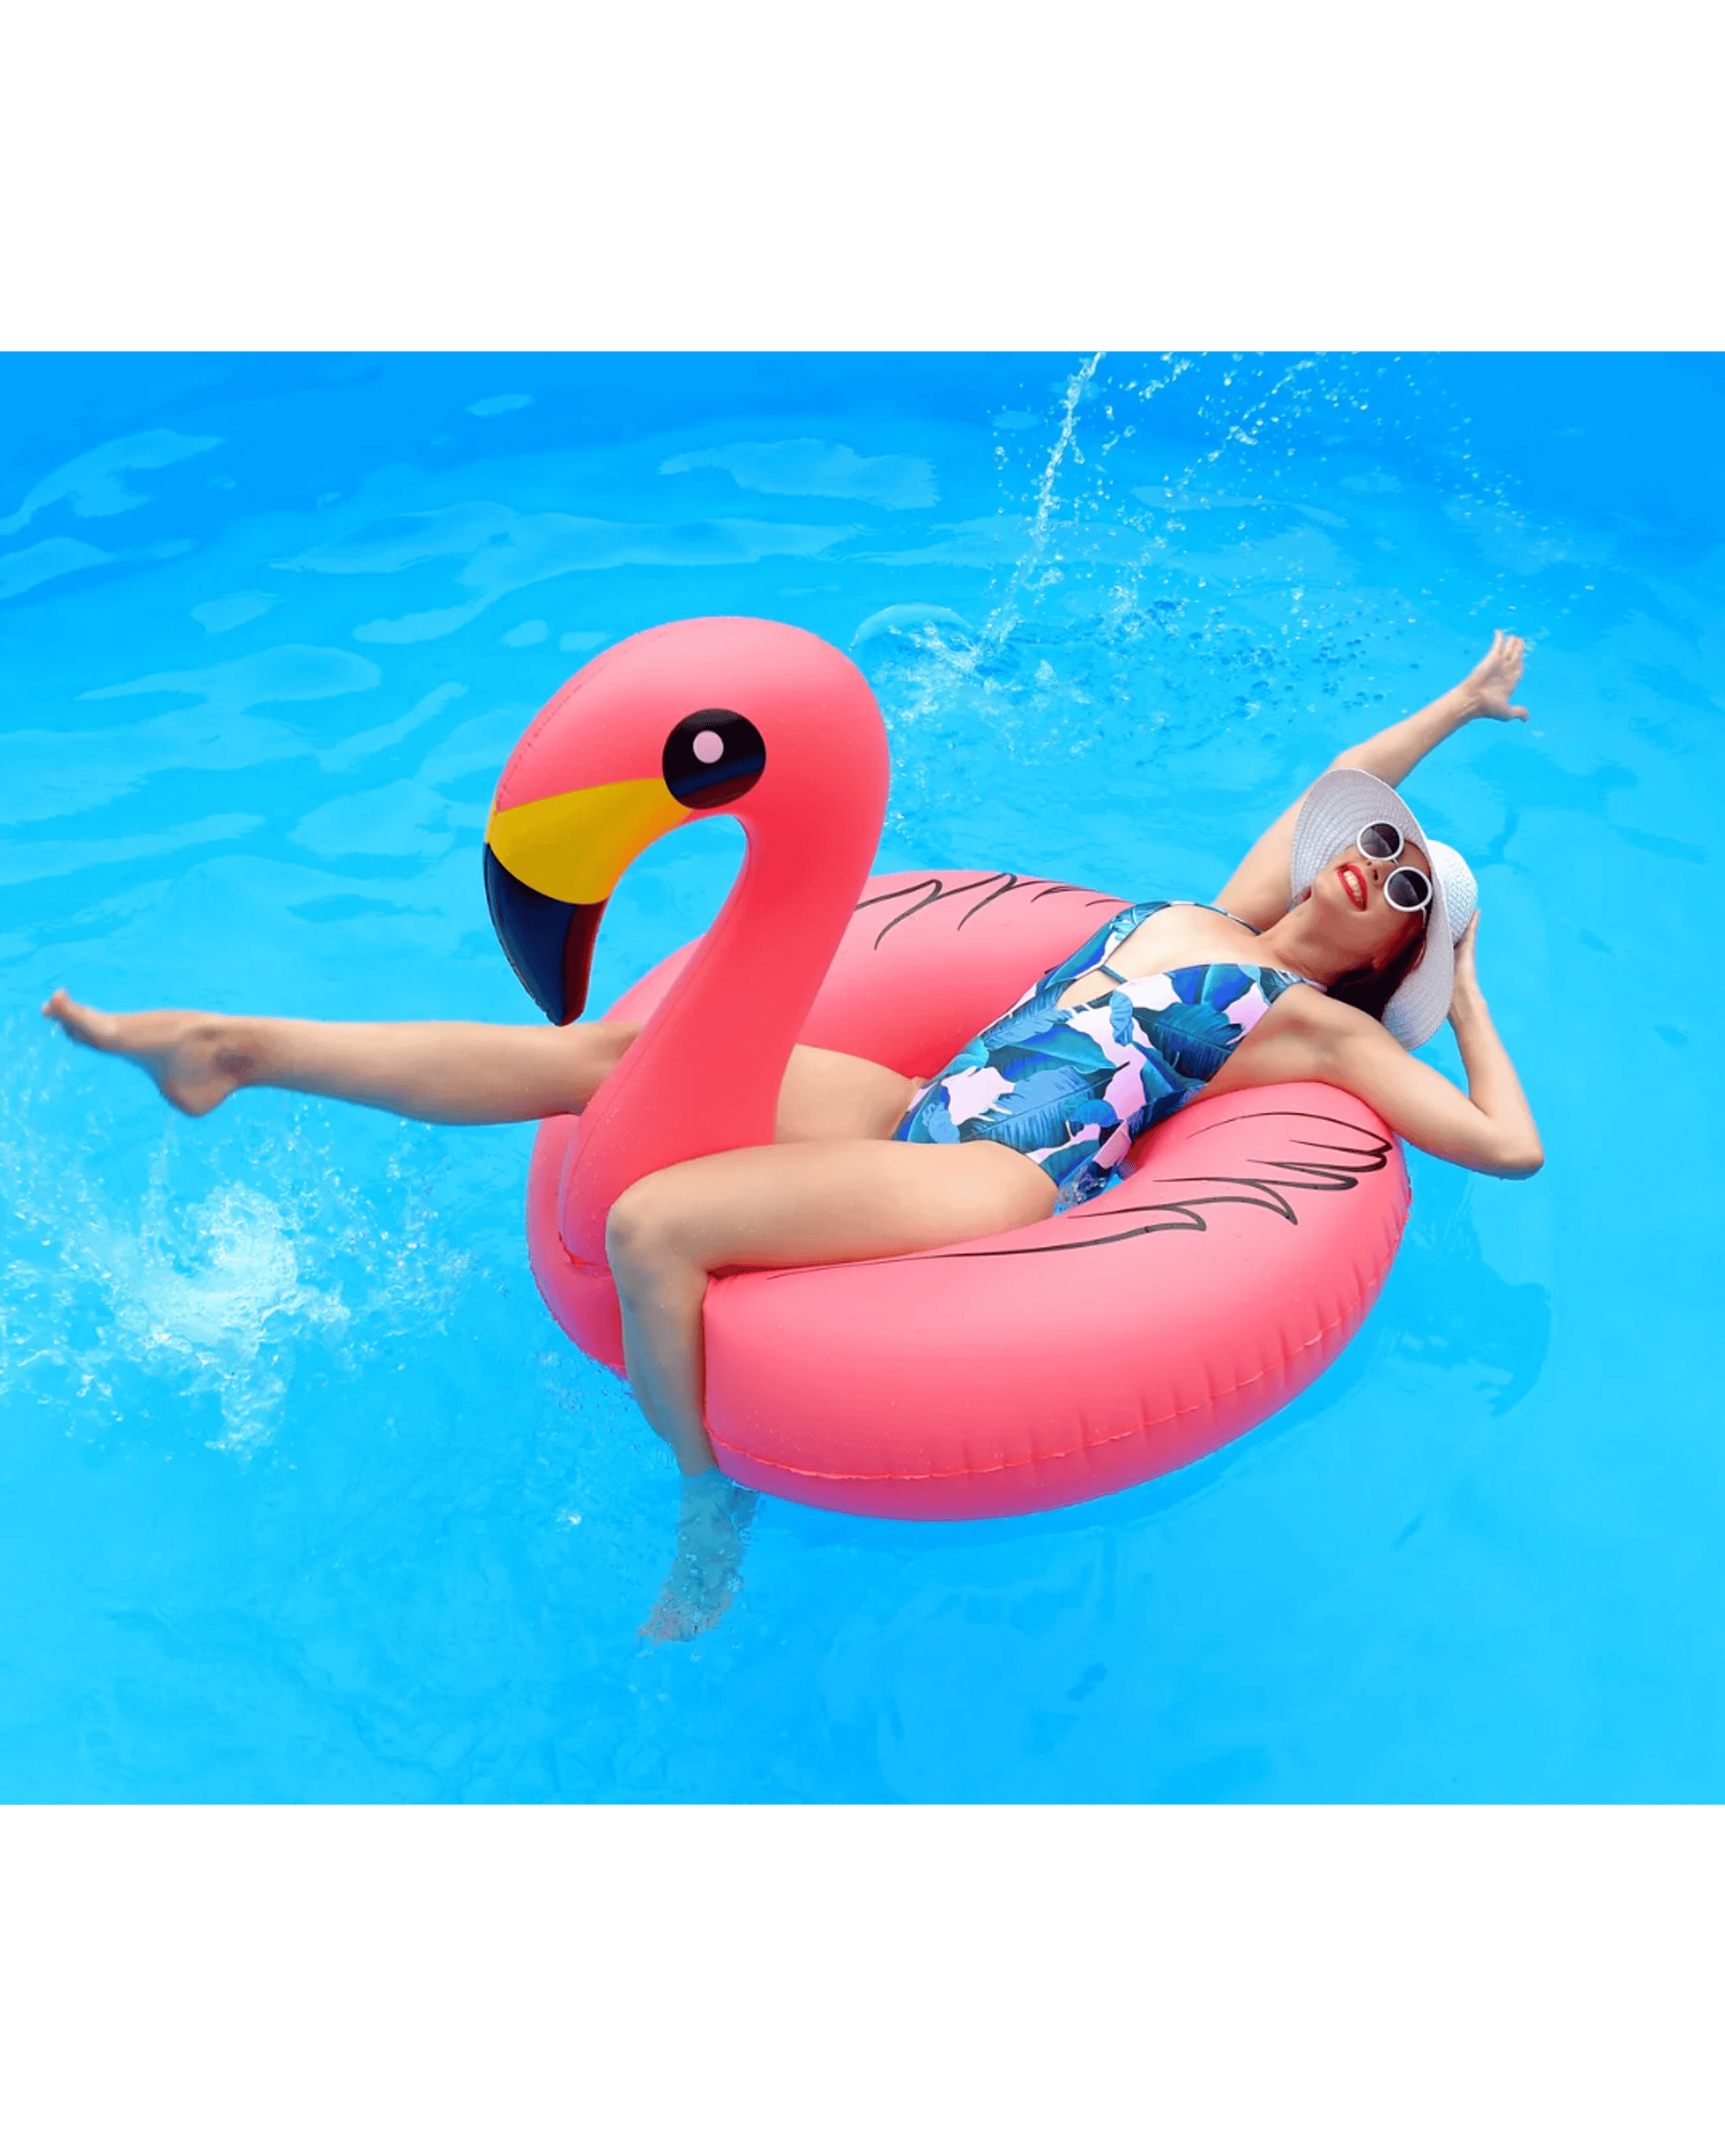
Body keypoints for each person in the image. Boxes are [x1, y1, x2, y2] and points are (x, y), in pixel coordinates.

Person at [44, 631, 1544, 1640]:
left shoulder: (1315, 1024)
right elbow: (1344, 773)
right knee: (620, 1054)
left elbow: (1504, 1150)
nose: (1376, 874)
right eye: (1381, 852)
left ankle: (704, 1498)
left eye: (1409, 896)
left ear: (1390, 959)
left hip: (994, 1174)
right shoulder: (1212, 905)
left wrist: (1463, 994)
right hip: (919, 1101)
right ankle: (233, 1051)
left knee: (653, 1223)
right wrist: (1459, 710)